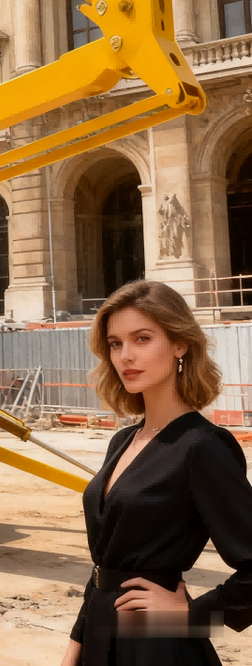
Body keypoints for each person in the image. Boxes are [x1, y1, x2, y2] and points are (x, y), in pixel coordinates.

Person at [61, 280, 252, 665]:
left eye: (142, 339)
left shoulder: (203, 446)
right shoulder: (122, 441)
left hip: (156, 646)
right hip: (99, 636)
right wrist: (74, 649)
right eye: (115, 343)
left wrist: (195, 617)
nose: (126, 355)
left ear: (180, 344)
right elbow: (106, 565)